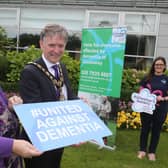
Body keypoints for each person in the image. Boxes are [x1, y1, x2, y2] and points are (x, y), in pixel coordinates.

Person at [19, 24, 78, 168]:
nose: (56, 50)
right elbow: (36, 111)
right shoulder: (30, 72)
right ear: (41, 44)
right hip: (38, 140)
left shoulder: (61, 67)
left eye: (61, 45)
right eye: (51, 45)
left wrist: (80, 104)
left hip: (58, 137)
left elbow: (67, 94)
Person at [137, 56, 168, 161]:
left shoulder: (166, 79)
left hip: (161, 109)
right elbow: (140, 91)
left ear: (164, 67)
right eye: (157, 64)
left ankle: (152, 152)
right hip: (146, 108)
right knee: (145, 129)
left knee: (156, 130)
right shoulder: (147, 78)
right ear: (154, 66)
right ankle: (142, 150)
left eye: (161, 65)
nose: (158, 66)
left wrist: (163, 98)